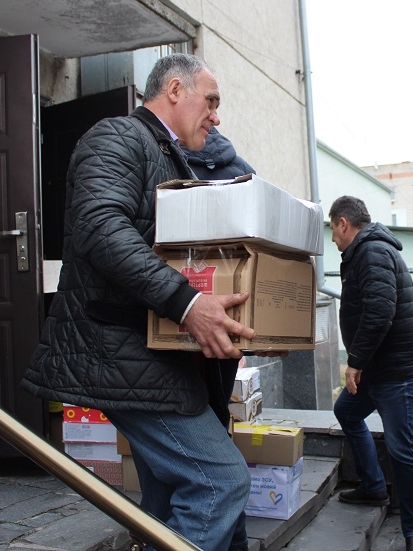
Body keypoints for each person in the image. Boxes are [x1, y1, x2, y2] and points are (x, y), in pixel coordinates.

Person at [21, 53, 268, 551]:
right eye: (211, 101)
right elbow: (100, 227)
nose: (217, 116)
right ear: (175, 91)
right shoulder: (116, 137)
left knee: (167, 498)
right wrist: (187, 305)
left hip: (152, 354)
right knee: (220, 481)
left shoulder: (169, 154)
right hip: (119, 350)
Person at [328, 196, 413, 551]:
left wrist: (354, 361)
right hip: (379, 366)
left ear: (344, 223)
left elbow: (379, 311)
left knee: (402, 447)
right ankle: (373, 486)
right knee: (346, 411)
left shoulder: (371, 251)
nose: (332, 238)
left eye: (332, 228)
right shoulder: (364, 252)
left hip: (396, 368)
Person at [179, 126, 256, 550]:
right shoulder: (242, 172)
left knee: (209, 471)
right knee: (218, 438)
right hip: (226, 326)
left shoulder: (174, 165)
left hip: (181, 326)